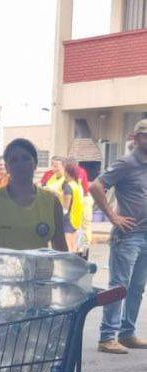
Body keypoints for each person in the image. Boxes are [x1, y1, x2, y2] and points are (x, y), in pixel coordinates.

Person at [91, 118, 147, 355]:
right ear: (135, 138)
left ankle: (127, 333)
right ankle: (107, 337)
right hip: (128, 235)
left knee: (137, 287)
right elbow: (96, 186)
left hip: (145, 234)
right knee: (119, 286)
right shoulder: (126, 163)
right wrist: (113, 217)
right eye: (145, 135)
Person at [0, 138, 67, 252]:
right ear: (7, 167)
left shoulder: (51, 202)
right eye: (14, 160)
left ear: (35, 164)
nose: (20, 164)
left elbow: (61, 249)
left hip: (39, 270)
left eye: (26, 159)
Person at [61, 159, 85, 252]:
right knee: (74, 245)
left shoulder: (68, 186)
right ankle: (74, 263)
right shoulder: (77, 185)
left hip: (68, 218)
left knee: (68, 244)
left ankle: (69, 264)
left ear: (67, 172)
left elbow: (65, 207)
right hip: (77, 218)